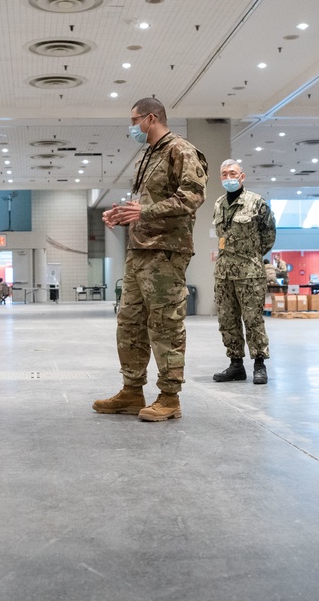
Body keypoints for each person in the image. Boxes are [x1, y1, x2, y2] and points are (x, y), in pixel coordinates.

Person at [93, 97, 208, 422]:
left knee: (164, 324)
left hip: (166, 253)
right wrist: (124, 214)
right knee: (129, 322)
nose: (132, 127)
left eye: (134, 120)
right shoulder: (148, 156)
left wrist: (146, 211)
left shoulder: (181, 150)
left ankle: (169, 397)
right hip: (139, 250)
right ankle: (132, 390)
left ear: (151, 117)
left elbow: (192, 196)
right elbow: (146, 203)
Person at [211, 160, 276, 385]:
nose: (228, 177)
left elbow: (268, 235)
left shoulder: (256, 202)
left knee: (253, 319)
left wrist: (252, 257)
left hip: (250, 273)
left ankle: (260, 363)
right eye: (224, 174)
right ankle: (236, 365)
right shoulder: (218, 204)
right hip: (224, 273)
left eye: (233, 173)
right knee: (227, 320)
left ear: (242, 176)